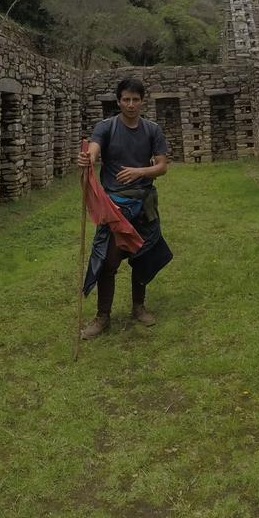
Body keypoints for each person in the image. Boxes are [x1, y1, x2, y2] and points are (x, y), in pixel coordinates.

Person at [77, 77, 173, 339]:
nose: (131, 104)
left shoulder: (152, 130)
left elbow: (162, 166)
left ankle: (139, 307)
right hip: (115, 208)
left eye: (135, 99)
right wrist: (88, 158)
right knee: (107, 262)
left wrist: (139, 171)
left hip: (144, 205)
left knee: (143, 257)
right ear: (118, 101)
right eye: (126, 99)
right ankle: (102, 316)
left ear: (142, 102)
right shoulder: (106, 127)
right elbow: (95, 149)